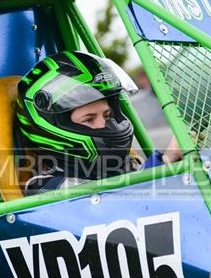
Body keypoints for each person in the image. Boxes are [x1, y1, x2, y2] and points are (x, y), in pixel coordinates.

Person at [15, 50, 182, 194]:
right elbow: (118, 206)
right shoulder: (49, 188)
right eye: (89, 119)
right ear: (52, 127)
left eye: (107, 115)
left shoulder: (115, 168)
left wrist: (169, 159)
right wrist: (164, 161)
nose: (104, 125)